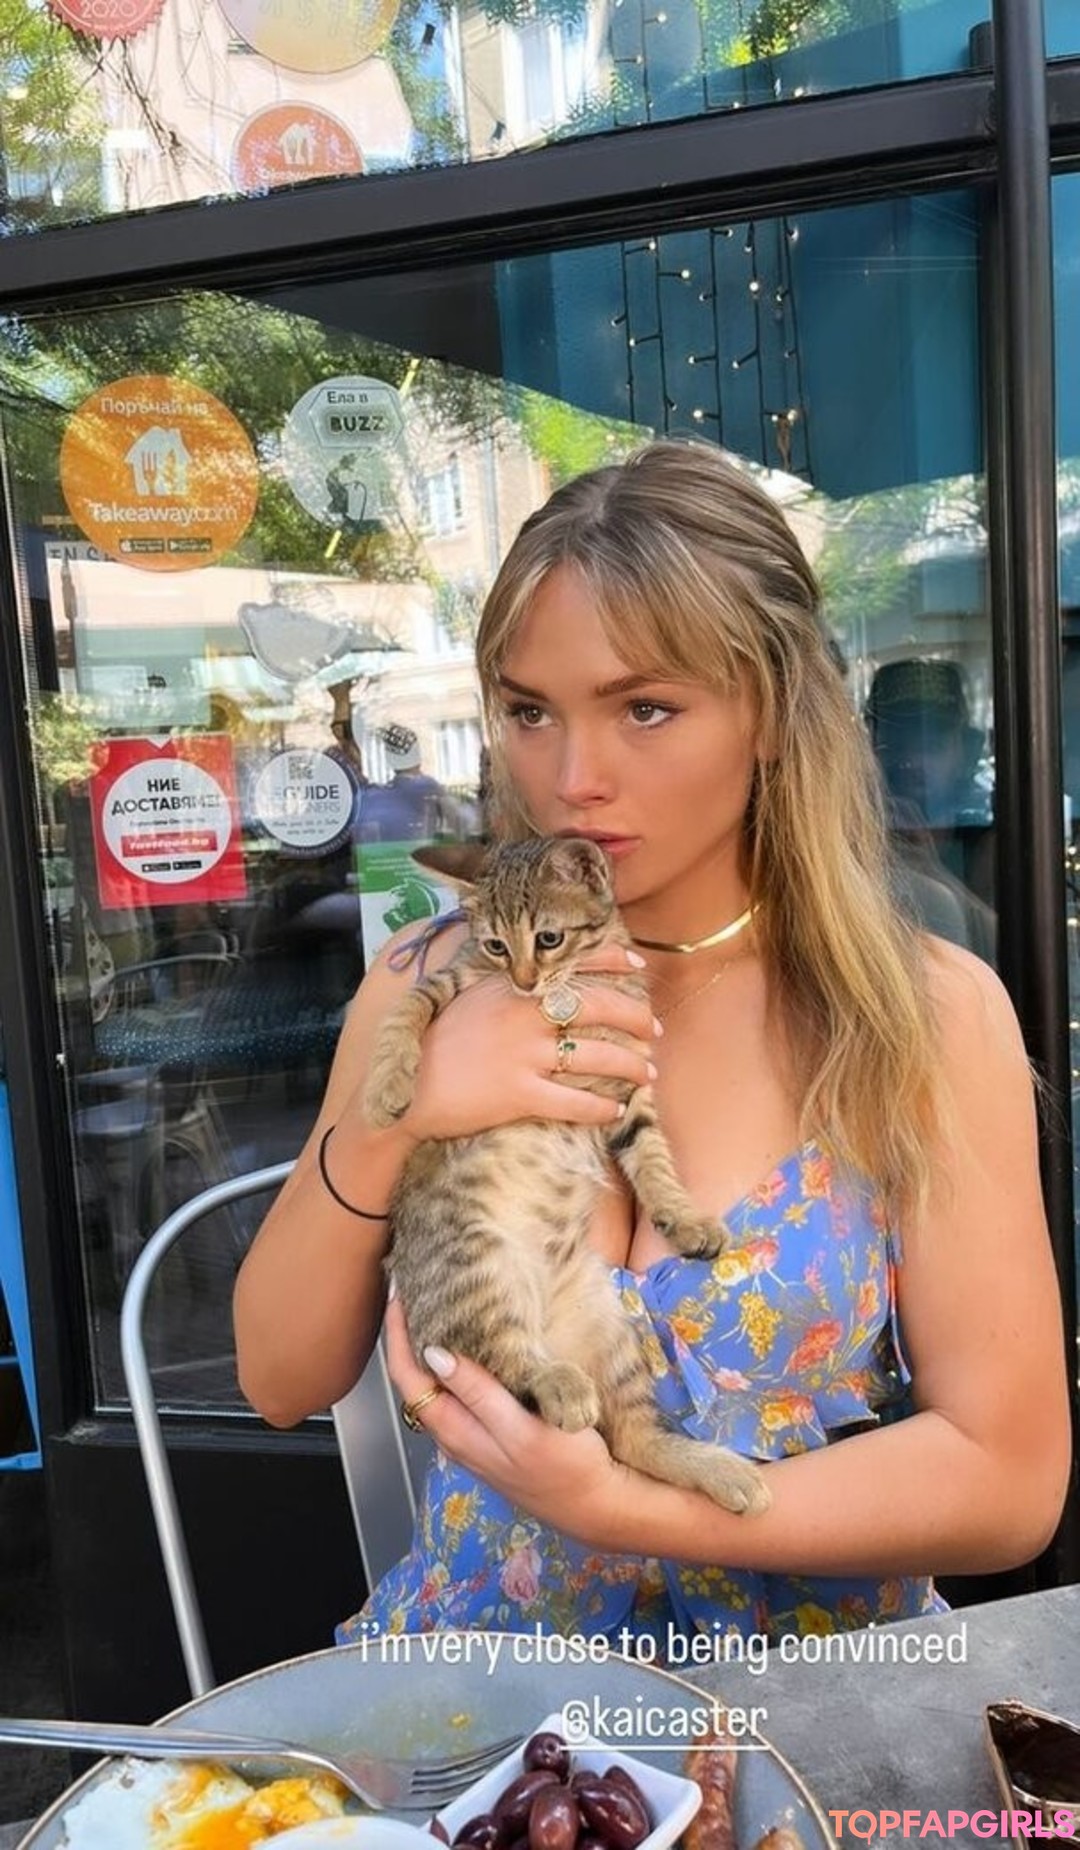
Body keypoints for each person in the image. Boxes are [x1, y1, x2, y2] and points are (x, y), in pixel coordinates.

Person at [233, 441, 1070, 1653]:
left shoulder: (919, 1013)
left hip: (802, 1706)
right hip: (491, 1696)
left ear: (770, 709)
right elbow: (276, 1378)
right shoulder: (432, 981)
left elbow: (1010, 1479)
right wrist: (396, 1117)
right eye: (530, 710)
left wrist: (628, 1506)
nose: (574, 777)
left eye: (646, 707)